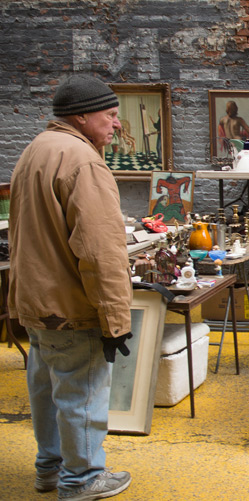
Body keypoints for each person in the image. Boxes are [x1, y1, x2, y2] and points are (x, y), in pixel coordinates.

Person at [8, 74, 134, 500]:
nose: (117, 125)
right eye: (111, 115)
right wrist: (115, 319)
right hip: (70, 303)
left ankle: (51, 468)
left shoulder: (34, 151)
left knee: (47, 389)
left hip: (36, 301)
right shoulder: (81, 160)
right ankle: (81, 480)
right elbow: (100, 249)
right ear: (81, 116)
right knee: (81, 392)